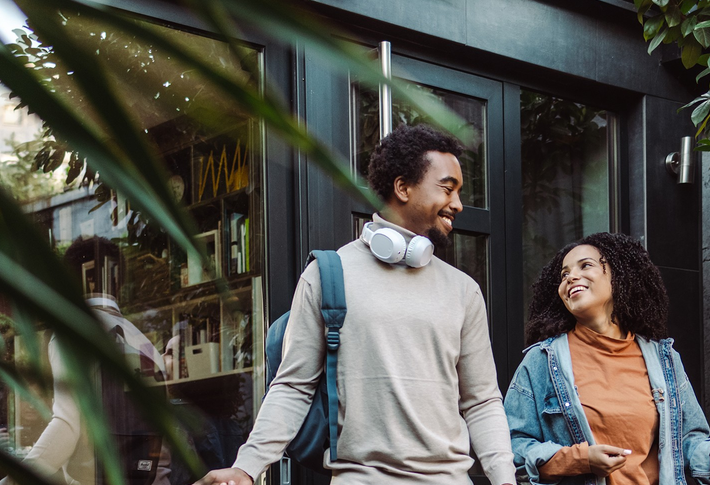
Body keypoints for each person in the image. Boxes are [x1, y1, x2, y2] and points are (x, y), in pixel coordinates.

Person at [196, 125, 517, 485]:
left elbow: (482, 401)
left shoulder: (463, 290)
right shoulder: (327, 275)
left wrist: (505, 479)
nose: (458, 203)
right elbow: (293, 387)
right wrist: (247, 468)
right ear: (403, 187)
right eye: (447, 188)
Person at [505, 232, 710, 485]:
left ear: (619, 276)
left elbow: (686, 443)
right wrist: (581, 460)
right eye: (564, 274)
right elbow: (512, 447)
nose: (571, 277)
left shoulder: (663, 358)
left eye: (586, 265)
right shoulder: (542, 361)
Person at [0, 236, 172, 485]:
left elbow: (67, 427)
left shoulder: (73, 335)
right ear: (118, 283)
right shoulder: (146, 346)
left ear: (84, 279)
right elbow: (160, 450)